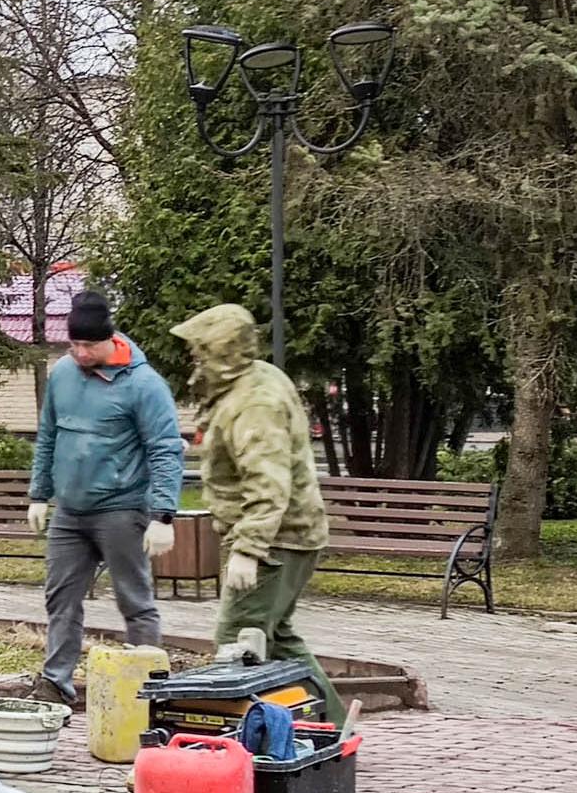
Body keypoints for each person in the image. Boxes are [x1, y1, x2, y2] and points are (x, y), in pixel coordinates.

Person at [169, 302, 345, 725]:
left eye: (199, 350)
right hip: (291, 534)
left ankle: (240, 736)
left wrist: (249, 550)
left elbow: (268, 482)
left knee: (237, 641)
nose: (193, 358)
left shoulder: (254, 404)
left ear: (220, 351)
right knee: (277, 639)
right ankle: (331, 728)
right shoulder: (253, 381)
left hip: (275, 540)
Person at [25, 290, 185, 708]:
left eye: (89, 345)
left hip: (121, 509)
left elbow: (165, 449)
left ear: (110, 339)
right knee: (60, 598)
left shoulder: (144, 385)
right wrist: (39, 494)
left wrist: (163, 514)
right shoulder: (63, 374)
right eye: (74, 344)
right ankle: (56, 684)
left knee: (134, 600)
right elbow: (49, 435)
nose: (80, 353)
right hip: (69, 512)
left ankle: (150, 689)